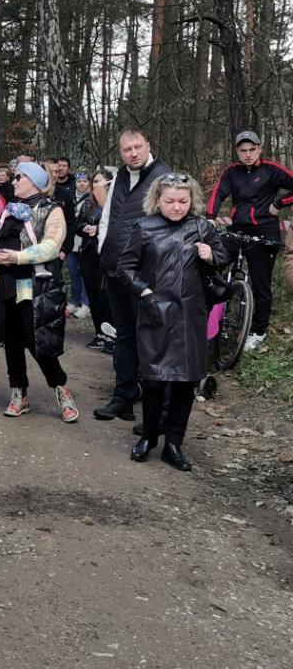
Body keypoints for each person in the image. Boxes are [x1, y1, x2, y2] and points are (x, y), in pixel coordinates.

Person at [118, 174, 226, 471]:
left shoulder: (202, 227)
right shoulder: (145, 227)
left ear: (192, 201)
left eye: (183, 201)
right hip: (156, 314)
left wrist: (211, 254)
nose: (176, 207)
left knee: (185, 382)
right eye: (170, 201)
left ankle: (174, 444)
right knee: (153, 381)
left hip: (190, 316)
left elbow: (222, 257)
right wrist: (145, 292)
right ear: (157, 200)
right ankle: (149, 437)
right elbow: (125, 268)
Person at [0, 162, 78, 422]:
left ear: (33, 181)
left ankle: (61, 389)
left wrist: (17, 257)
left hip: (35, 287)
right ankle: (18, 393)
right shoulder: (7, 210)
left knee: (38, 342)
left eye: (19, 177)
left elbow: (52, 246)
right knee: (12, 341)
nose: (14, 181)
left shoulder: (51, 210)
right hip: (6, 285)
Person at [94, 128, 172, 421]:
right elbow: (108, 217)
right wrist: (103, 250)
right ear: (121, 152)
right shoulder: (120, 177)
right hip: (115, 270)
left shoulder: (165, 178)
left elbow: (170, 226)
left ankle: (157, 416)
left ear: (148, 146)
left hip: (145, 275)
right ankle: (122, 397)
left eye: (138, 147)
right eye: (127, 149)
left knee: (151, 341)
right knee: (124, 337)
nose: (133, 153)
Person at [206, 130, 293, 351]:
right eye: (243, 150)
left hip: (264, 232)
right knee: (211, 262)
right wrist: (210, 217)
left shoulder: (271, 170)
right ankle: (209, 313)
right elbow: (218, 193)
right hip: (237, 230)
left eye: (252, 149)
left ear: (259, 149)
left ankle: (258, 330)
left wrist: (279, 204)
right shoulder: (231, 172)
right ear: (237, 151)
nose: (247, 154)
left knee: (261, 282)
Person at [77, 170, 114, 351]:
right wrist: (85, 227)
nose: (97, 185)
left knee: (104, 296)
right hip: (88, 251)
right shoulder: (86, 205)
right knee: (92, 294)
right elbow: (77, 226)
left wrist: (98, 228)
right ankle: (100, 333)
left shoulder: (114, 203)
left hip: (105, 255)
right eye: (95, 182)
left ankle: (111, 335)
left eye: (101, 182)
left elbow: (114, 224)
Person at [65, 171, 91, 318]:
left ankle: (86, 304)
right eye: (79, 181)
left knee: (84, 274)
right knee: (74, 273)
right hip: (71, 241)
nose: (81, 184)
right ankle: (74, 301)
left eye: (85, 181)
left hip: (84, 241)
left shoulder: (91, 200)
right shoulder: (70, 198)